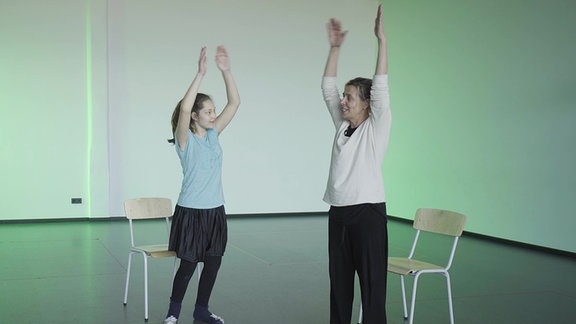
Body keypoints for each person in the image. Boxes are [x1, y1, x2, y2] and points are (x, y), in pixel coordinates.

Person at [322, 5, 390, 324]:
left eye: (350, 97)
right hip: (339, 212)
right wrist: (335, 48)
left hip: (367, 214)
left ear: (366, 103)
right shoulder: (342, 126)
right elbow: (327, 89)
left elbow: (382, 90)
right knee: (339, 286)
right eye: (345, 96)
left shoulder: (375, 129)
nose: (343, 101)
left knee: (372, 287)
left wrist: (382, 42)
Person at [164, 45, 240, 324]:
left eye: (213, 111)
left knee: (213, 263)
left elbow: (235, 104)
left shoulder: (212, 135)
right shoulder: (185, 140)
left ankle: (201, 310)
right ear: (195, 116)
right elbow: (185, 108)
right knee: (187, 266)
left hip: (215, 211)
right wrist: (200, 74)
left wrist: (226, 71)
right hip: (191, 212)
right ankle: (173, 313)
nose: (213, 114)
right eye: (208, 111)